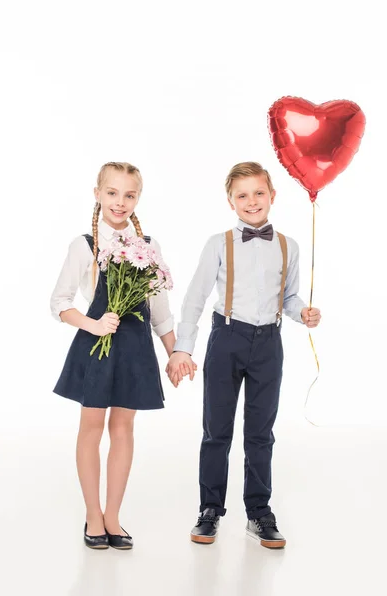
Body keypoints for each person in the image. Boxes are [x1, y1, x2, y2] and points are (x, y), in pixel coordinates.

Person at [166, 162, 321, 548]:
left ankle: (259, 512)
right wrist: (183, 347)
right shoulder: (218, 244)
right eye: (242, 195)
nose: (252, 201)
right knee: (216, 429)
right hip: (227, 337)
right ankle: (210, 509)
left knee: (260, 433)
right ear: (231, 201)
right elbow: (195, 298)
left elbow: (289, 297)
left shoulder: (290, 245)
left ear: (272, 195)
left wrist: (301, 311)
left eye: (259, 193)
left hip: (270, 342)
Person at [51, 162, 176, 550]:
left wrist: (176, 354)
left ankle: (113, 517)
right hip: (98, 346)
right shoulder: (85, 244)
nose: (120, 202)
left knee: (123, 430)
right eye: (112, 193)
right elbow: (59, 303)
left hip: (135, 347)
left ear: (138, 198)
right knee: (92, 428)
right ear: (97, 193)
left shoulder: (148, 247)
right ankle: (92, 515)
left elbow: (161, 312)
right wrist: (94, 325)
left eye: (129, 195)